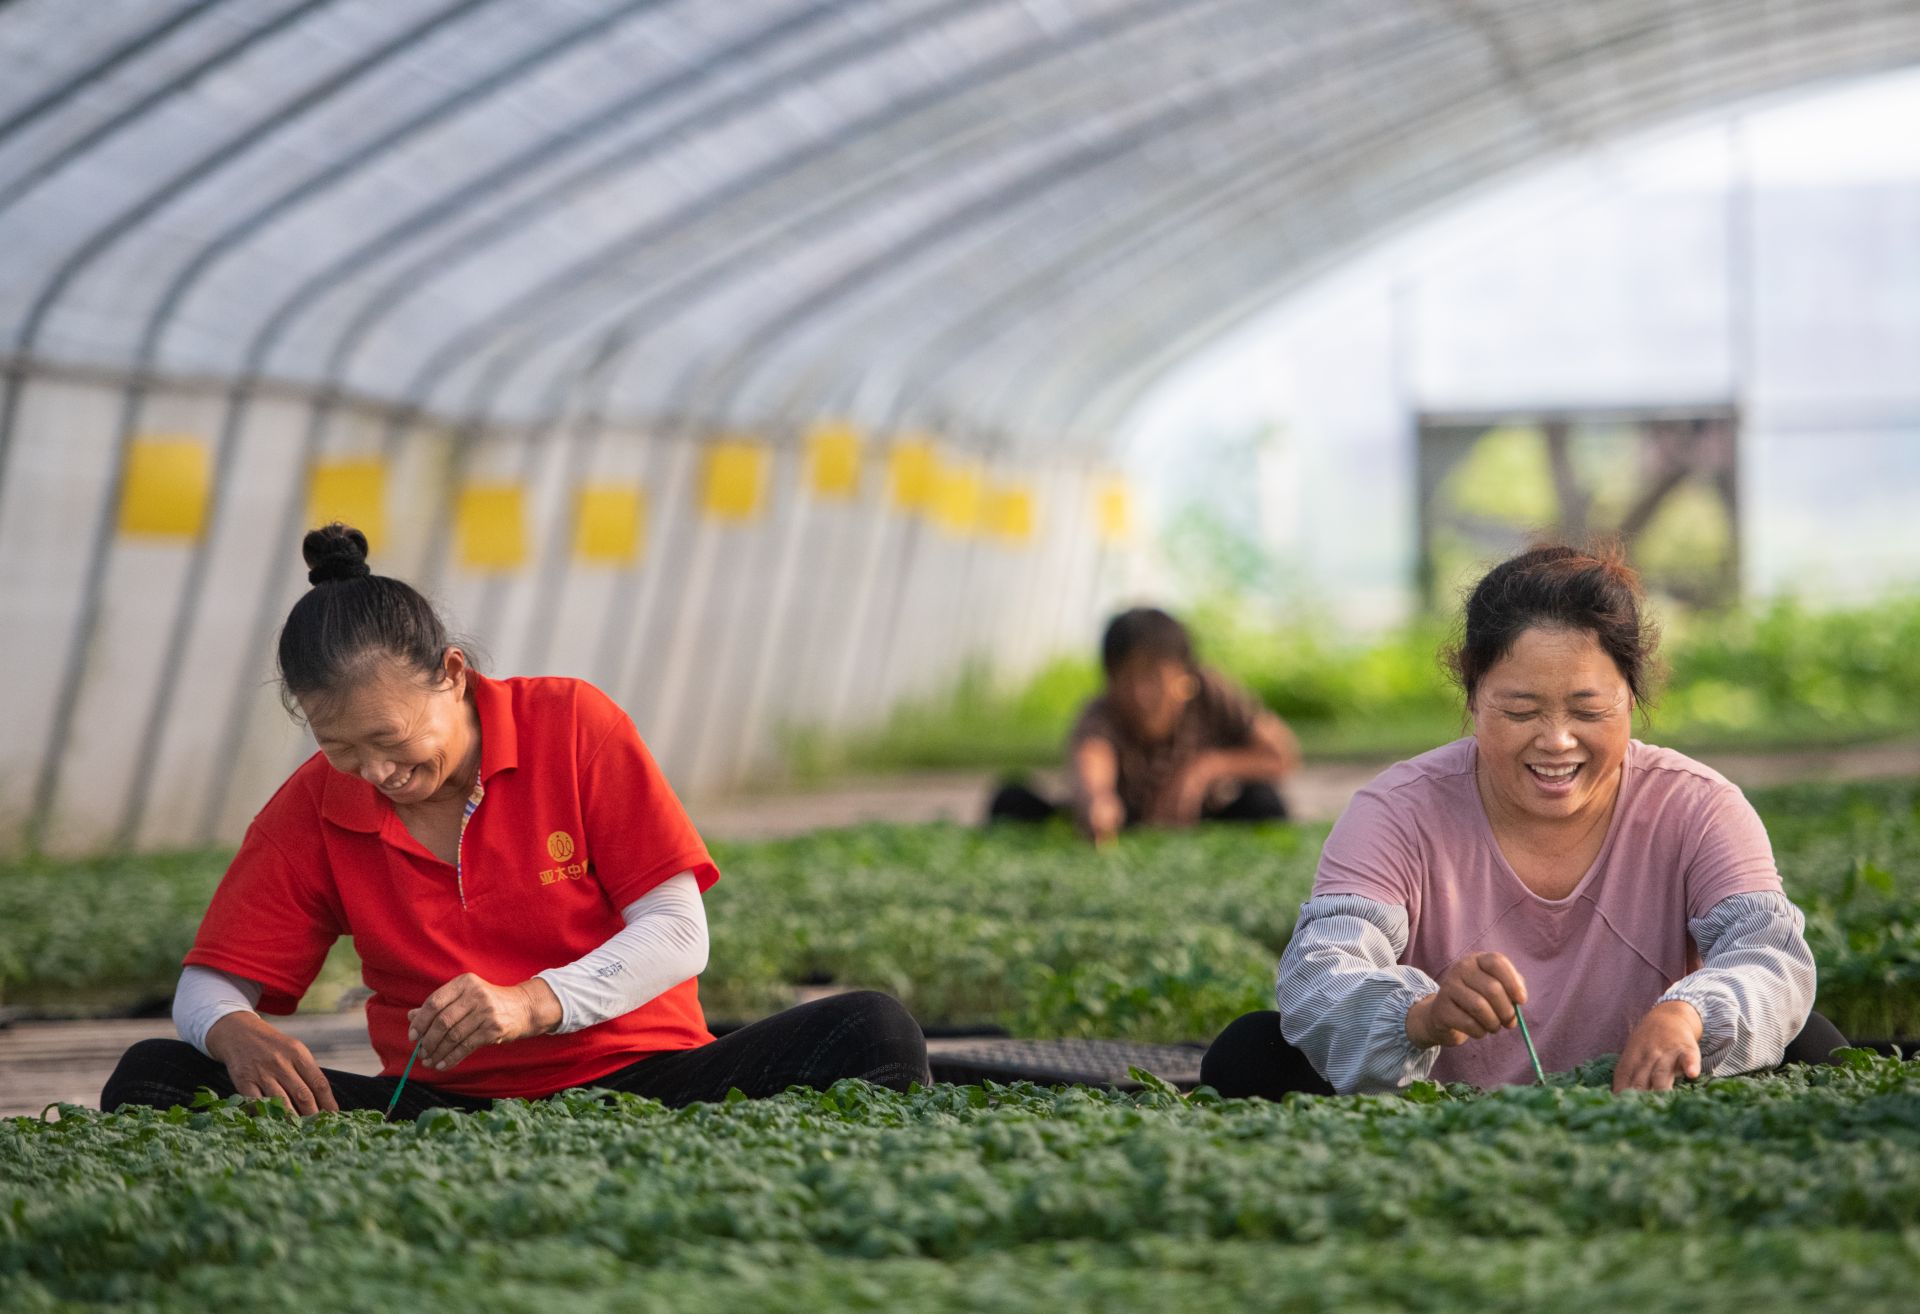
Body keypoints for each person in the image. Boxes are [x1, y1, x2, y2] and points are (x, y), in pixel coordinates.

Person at [101, 524, 928, 1117]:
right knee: (157, 1075)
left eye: (390, 740)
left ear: (451, 676)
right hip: (439, 1111)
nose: (376, 773)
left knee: (871, 1029)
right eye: (340, 748)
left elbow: (679, 932)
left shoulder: (572, 725)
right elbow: (209, 985)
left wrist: (533, 1002)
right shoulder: (313, 808)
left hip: (650, 1083)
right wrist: (233, 1030)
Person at [1201, 544, 1843, 1098]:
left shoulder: (1699, 806)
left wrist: (1688, 1014)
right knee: (1250, 1051)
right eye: (1520, 710)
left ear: (1633, 699)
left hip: (1648, 1108)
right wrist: (1420, 1015)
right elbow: (1320, 974)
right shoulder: (1395, 810)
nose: (1557, 741)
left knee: (1813, 1044)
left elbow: (1769, 958)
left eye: (1588, 710)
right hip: (1434, 1121)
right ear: (1473, 696)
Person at [987, 607, 1301, 844]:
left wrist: (1205, 769)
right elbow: (1093, 758)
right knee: (1012, 801)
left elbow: (1281, 755)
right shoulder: (1101, 712)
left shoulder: (1211, 692)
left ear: (1183, 676)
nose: (1140, 693)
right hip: (1125, 824)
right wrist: (1098, 801)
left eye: (1153, 677)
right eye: (1126, 678)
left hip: (1202, 821)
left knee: (1263, 802)